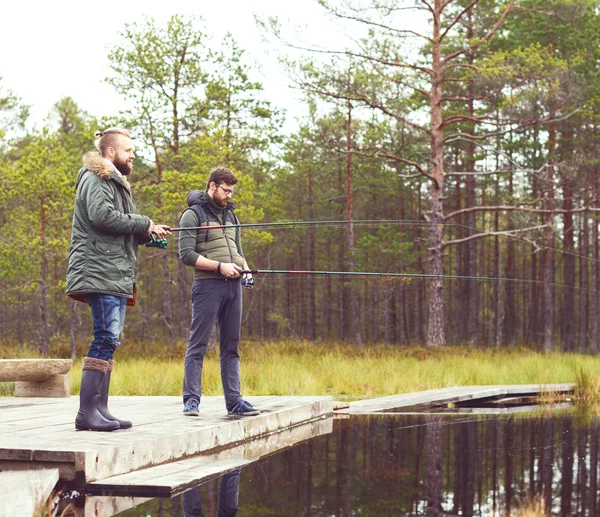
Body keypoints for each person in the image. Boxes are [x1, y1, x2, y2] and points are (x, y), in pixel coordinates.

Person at [66, 128, 171, 431]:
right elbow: (102, 216)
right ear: (110, 152)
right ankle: (87, 413)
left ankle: (101, 408)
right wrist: (144, 222)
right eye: (128, 151)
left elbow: (116, 226)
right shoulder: (96, 177)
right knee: (105, 338)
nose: (133, 156)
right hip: (100, 270)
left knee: (110, 340)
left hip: (112, 271)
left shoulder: (114, 181)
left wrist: (147, 233)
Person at [178, 167, 259, 417]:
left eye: (232, 191)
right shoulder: (192, 215)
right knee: (198, 344)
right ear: (212, 186)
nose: (229, 195)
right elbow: (186, 255)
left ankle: (234, 401)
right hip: (207, 285)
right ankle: (191, 400)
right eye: (225, 190)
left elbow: (238, 251)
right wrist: (219, 267)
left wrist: (245, 271)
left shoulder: (232, 216)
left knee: (231, 346)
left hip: (234, 288)